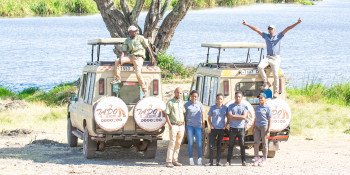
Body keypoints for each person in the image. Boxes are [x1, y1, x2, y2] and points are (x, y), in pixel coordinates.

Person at [242, 18, 302, 98]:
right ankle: (266, 82)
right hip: (268, 57)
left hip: (276, 57)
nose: (270, 30)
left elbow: (288, 28)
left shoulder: (278, 36)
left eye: (272, 29)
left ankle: (276, 91)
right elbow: (256, 30)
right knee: (260, 67)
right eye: (269, 29)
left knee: (275, 74)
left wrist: (297, 23)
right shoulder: (266, 36)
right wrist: (247, 24)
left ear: (274, 30)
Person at [111, 25, 157, 94]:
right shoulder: (127, 40)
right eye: (133, 32)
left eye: (136, 31)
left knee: (138, 73)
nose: (135, 32)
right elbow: (124, 50)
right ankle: (117, 78)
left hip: (139, 58)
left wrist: (152, 57)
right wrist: (121, 57)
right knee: (117, 61)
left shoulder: (140, 38)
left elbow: (147, 47)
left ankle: (145, 91)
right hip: (130, 57)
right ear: (130, 32)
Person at [225, 91, 248, 166]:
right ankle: (228, 161)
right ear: (234, 97)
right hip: (232, 128)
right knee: (231, 145)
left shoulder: (245, 106)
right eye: (236, 97)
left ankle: (243, 161)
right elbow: (230, 116)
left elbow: (244, 117)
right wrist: (239, 117)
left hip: (241, 128)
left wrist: (233, 117)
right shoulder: (230, 106)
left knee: (242, 145)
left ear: (241, 98)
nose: (237, 98)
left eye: (239, 97)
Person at [165, 87, 185, 168]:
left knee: (178, 144)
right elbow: (166, 114)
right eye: (177, 93)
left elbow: (184, 113)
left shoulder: (181, 102)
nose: (179, 94)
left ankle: (175, 160)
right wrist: (170, 125)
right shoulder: (170, 102)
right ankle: (168, 161)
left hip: (181, 126)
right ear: (174, 92)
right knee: (172, 144)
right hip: (174, 125)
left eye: (180, 93)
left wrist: (184, 124)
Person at [184, 90, 204, 165]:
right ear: (190, 96)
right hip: (189, 126)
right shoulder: (186, 105)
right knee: (191, 142)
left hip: (198, 126)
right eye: (193, 96)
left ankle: (199, 159)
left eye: (196, 96)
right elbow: (184, 116)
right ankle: (191, 159)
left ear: (197, 97)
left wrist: (203, 125)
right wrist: (184, 127)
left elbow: (202, 115)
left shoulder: (200, 104)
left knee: (199, 143)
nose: (194, 98)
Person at [207, 93, 228, 166]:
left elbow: (228, 118)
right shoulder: (212, 108)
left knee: (219, 145)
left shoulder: (225, 108)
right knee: (211, 145)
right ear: (216, 99)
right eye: (218, 99)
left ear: (223, 100)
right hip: (214, 129)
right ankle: (211, 162)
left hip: (221, 129)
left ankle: (218, 162)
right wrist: (211, 125)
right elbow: (209, 118)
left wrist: (225, 125)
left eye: (221, 99)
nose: (220, 100)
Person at [252, 93, 272, 167]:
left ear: (265, 99)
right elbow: (255, 118)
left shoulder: (267, 108)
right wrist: (253, 127)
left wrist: (268, 130)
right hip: (257, 126)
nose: (260, 99)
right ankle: (256, 158)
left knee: (264, 143)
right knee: (256, 143)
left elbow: (270, 119)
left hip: (264, 126)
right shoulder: (257, 108)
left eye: (262, 98)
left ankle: (264, 159)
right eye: (259, 98)